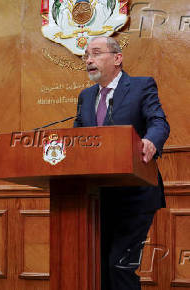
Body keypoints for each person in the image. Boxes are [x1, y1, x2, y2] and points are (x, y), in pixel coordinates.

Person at [74, 36, 170, 290]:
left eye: (95, 53)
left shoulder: (141, 86)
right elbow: (76, 139)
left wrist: (150, 141)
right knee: (98, 267)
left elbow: (159, 122)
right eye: (86, 55)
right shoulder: (85, 96)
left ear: (117, 58)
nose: (89, 60)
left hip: (135, 194)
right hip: (97, 197)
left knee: (120, 265)